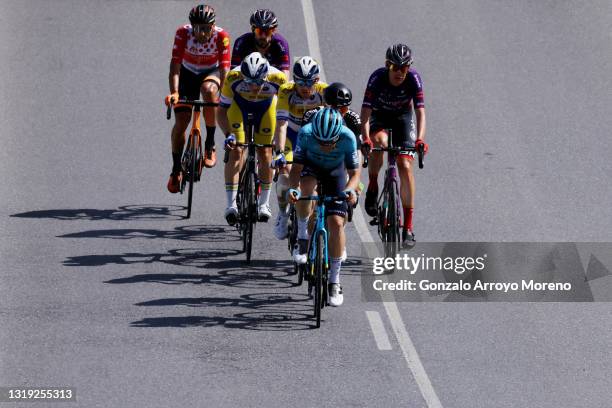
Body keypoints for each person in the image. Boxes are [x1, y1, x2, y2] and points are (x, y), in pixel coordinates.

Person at [287, 108, 361, 306]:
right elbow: (296, 169)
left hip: (336, 172)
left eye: (330, 142)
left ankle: (335, 281)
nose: (325, 145)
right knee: (306, 190)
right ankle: (302, 237)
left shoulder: (348, 137)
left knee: (336, 223)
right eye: (320, 141)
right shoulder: (306, 134)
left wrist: (350, 191)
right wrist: (293, 189)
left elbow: (354, 174)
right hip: (311, 166)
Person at [360, 43, 429, 247]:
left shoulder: (413, 79)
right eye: (395, 68)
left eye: (404, 68)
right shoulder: (377, 78)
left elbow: (420, 112)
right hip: (379, 117)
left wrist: (420, 140)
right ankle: (373, 185)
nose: (400, 72)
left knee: (406, 166)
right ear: (387, 65)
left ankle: (407, 227)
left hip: (402, 119)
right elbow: (365, 113)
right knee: (379, 142)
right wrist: (365, 138)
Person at [164, 4, 230, 193]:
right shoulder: (182, 33)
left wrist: (225, 97)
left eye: (207, 28)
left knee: (209, 91)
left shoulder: (221, 36)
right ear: (192, 26)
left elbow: (225, 70)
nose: (203, 33)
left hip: (212, 71)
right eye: (199, 28)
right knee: (181, 122)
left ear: (213, 25)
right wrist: (175, 92)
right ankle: (176, 169)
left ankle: (210, 143)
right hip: (187, 73)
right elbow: (175, 66)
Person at [217, 52, 287, 225]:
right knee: (236, 150)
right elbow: (221, 111)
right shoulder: (233, 77)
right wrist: (228, 134)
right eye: (249, 82)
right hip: (239, 108)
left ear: (266, 75)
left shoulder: (278, 78)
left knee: (265, 152)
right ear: (243, 76)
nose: (255, 87)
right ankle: (231, 204)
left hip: (266, 108)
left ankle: (264, 204)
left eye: (259, 82)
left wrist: (279, 144)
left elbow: (286, 116)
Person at [272, 56, 327, 240]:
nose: (304, 86)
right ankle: (282, 213)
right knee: (285, 175)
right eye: (300, 82)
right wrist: (280, 152)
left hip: (313, 140)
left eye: (309, 82)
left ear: (316, 80)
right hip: (291, 137)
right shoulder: (286, 91)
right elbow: (281, 125)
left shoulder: (324, 92)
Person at [231, 9, 291, 77]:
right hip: (248, 81)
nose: (263, 36)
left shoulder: (281, 44)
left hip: (272, 80)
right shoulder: (241, 42)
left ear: (274, 31)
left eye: (267, 32)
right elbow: (234, 72)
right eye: (259, 31)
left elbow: (285, 74)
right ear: (253, 30)